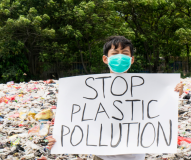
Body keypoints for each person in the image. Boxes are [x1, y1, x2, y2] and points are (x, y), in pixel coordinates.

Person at [45, 36, 182, 160]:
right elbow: (78, 120)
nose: (120, 57)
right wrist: (59, 139)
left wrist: (175, 92)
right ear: (105, 59)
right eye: (115, 53)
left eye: (125, 54)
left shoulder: (146, 89)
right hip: (102, 157)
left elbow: (161, 110)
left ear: (132, 59)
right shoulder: (90, 90)